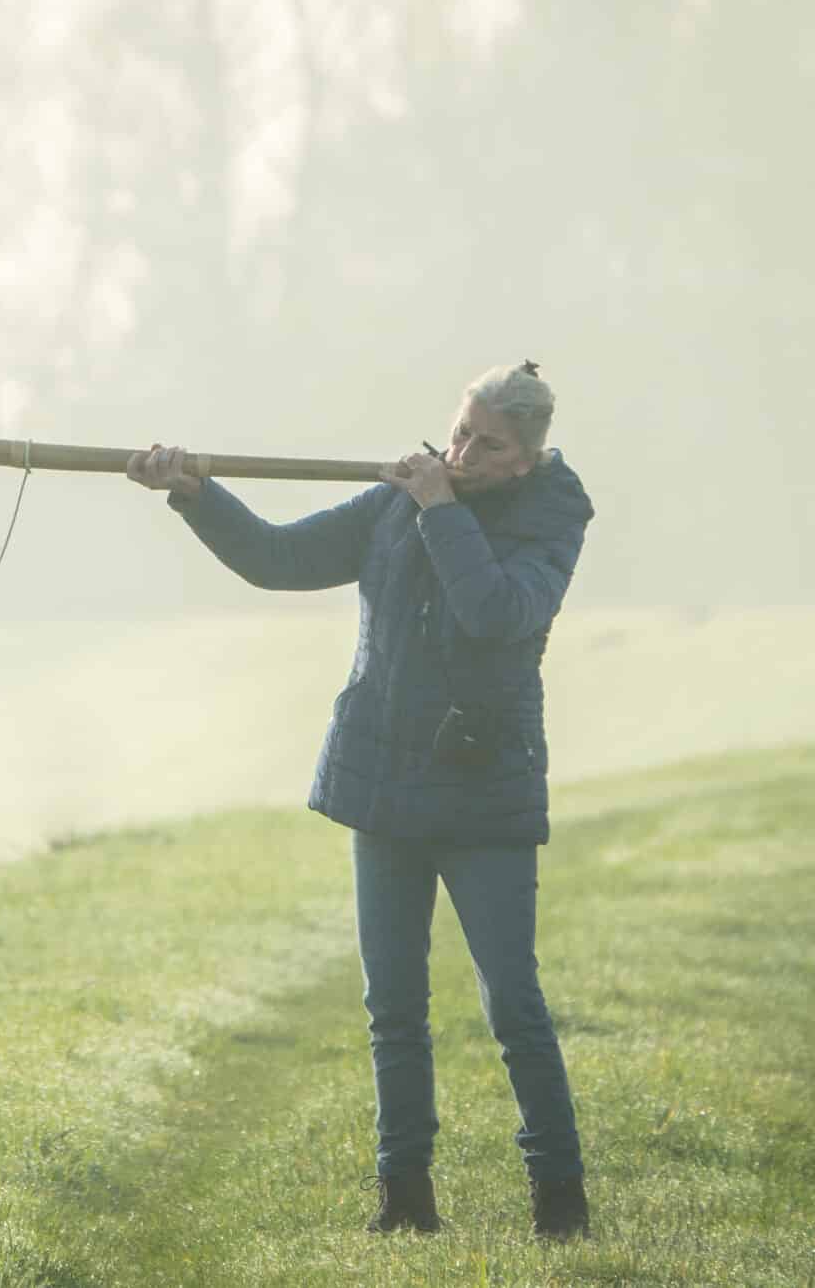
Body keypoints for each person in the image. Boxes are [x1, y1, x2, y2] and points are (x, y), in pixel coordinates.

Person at [126, 361, 593, 1242]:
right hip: (383, 784)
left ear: (527, 457)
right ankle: (405, 1200)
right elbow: (279, 559)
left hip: (484, 793)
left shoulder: (551, 516)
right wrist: (196, 494)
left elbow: (495, 612)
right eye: (459, 431)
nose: (461, 452)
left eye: (487, 444)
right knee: (394, 1008)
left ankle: (560, 1203)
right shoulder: (397, 501)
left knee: (513, 1003)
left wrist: (440, 509)